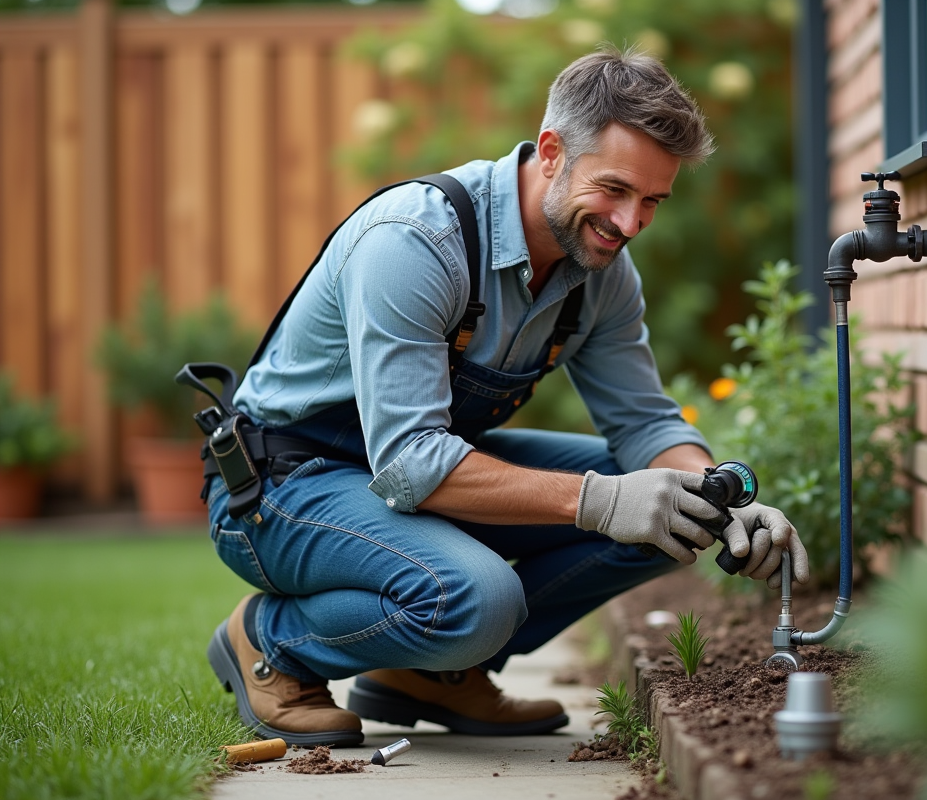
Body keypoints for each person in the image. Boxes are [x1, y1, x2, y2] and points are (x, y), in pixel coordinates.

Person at [203, 45, 809, 747]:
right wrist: (603, 501)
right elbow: (410, 464)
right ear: (551, 151)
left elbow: (644, 421)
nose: (630, 222)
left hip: (398, 476)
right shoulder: (418, 242)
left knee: (678, 511)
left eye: (652, 201)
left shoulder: (601, 271)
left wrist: (723, 497)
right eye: (614, 189)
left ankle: (431, 674)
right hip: (279, 488)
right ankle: (271, 641)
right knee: (479, 597)